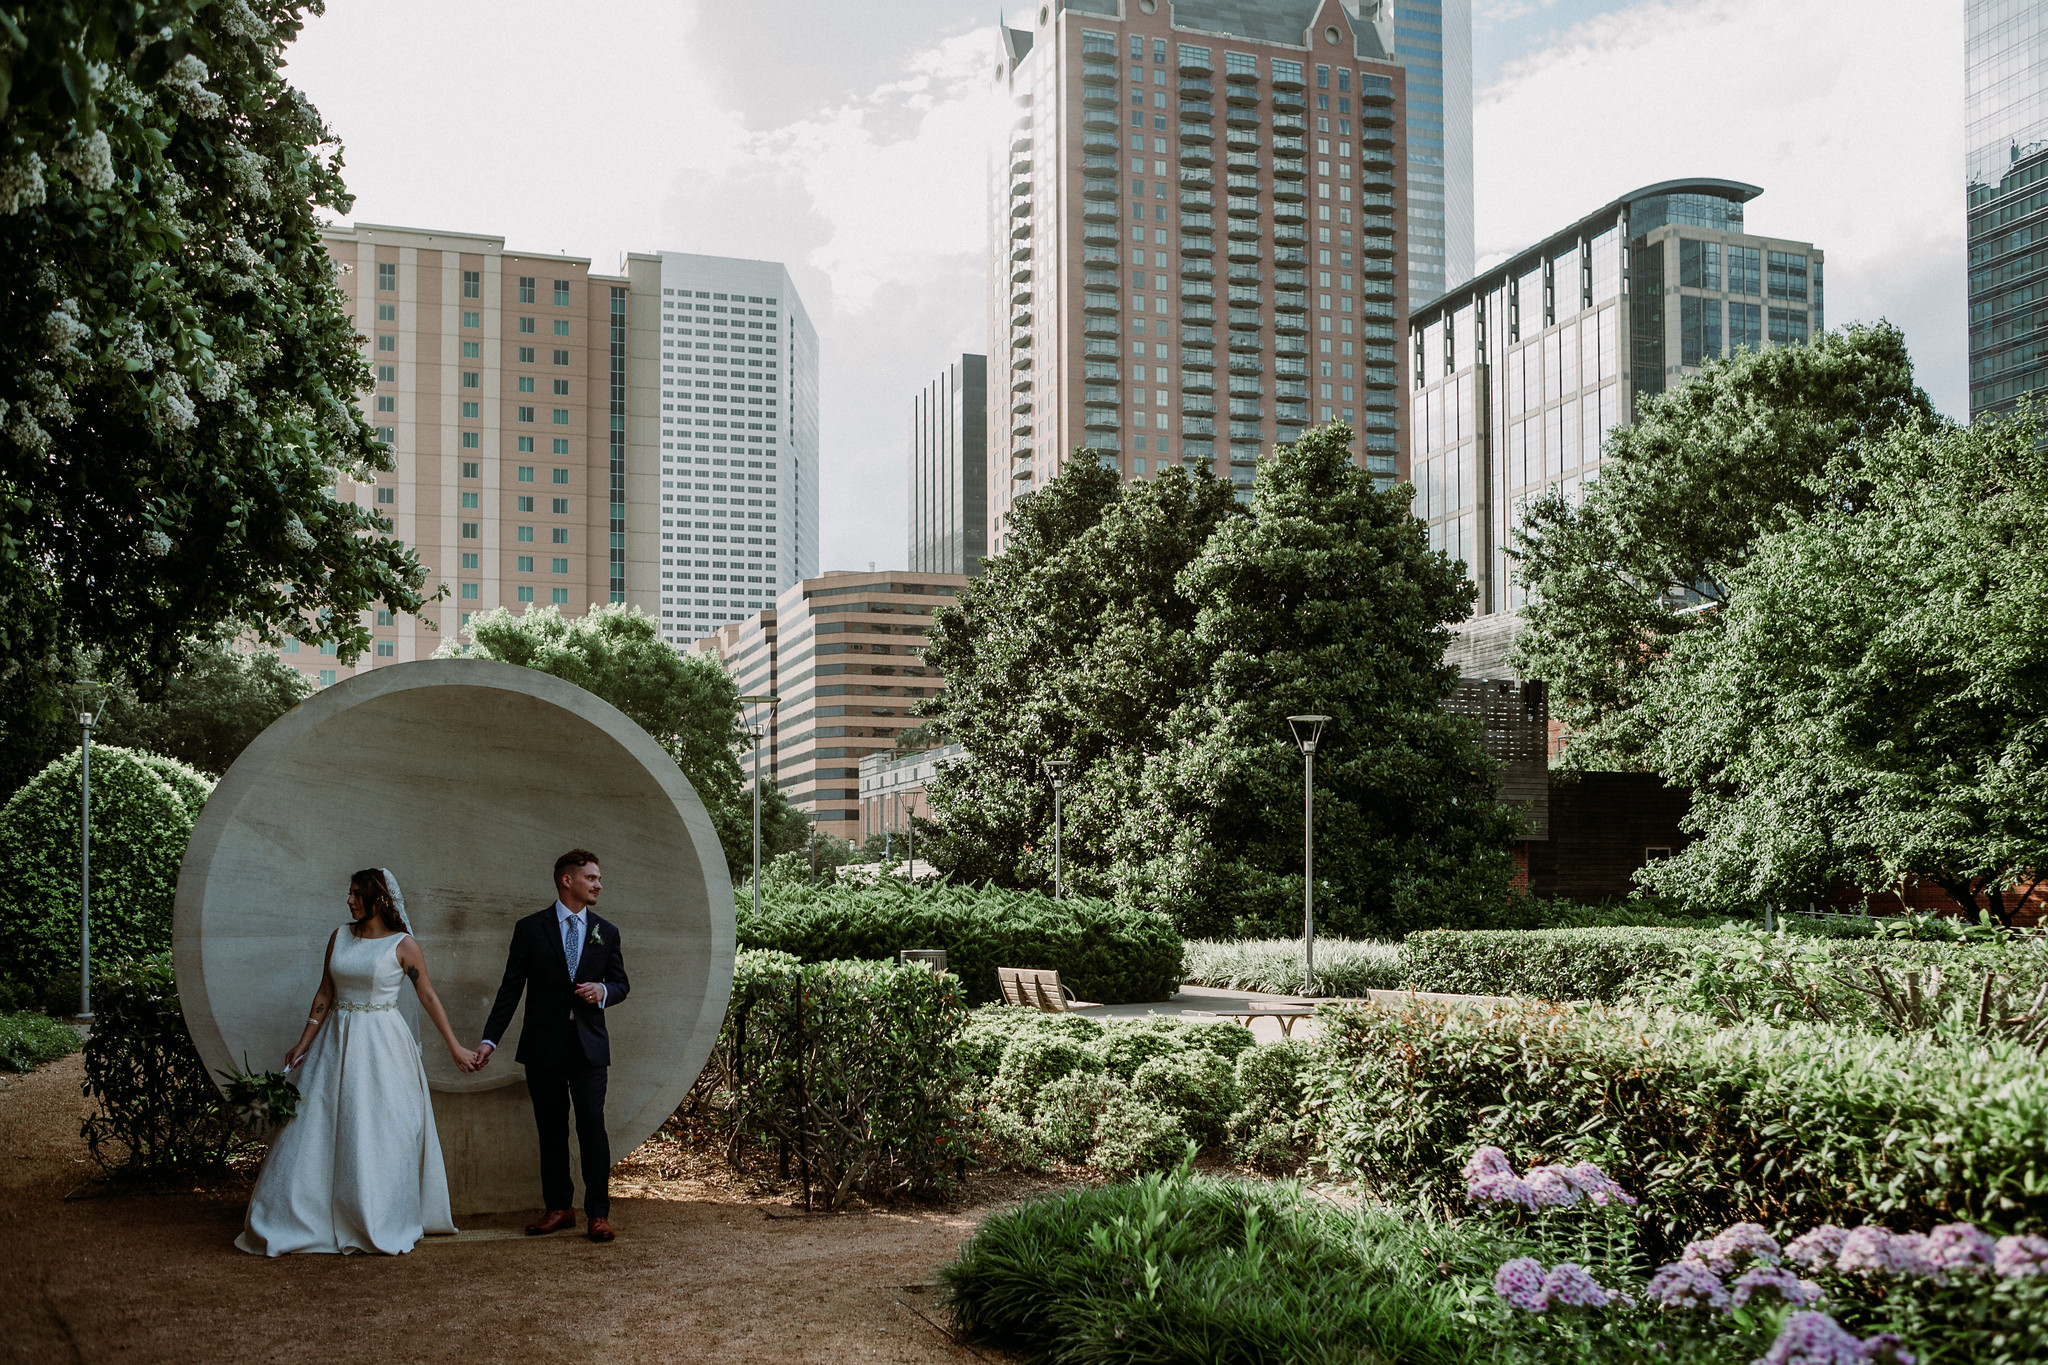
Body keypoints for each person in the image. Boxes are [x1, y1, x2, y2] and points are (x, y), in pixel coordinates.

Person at [237, 868, 475, 1256]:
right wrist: (304, 1040)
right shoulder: (339, 936)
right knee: (320, 1124)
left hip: (383, 1044)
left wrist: (455, 1047)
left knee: (380, 1125)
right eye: (348, 893)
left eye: (356, 894)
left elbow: (427, 995)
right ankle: (306, 1215)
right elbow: (326, 990)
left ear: (378, 899)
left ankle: (377, 1214)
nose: (348, 900)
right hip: (335, 1041)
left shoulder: (404, 945)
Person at [475, 849, 631, 1242]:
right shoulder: (530, 929)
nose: (598, 884)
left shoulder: (606, 932)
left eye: (598, 878)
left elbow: (622, 985)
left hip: (589, 1048)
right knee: (550, 1128)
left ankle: (598, 1213)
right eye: (591, 878)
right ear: (568, 880)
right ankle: (559, 1208)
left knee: (592, 1125)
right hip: (543, 1047)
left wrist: (604, 990)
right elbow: (510, 989)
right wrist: (489, 1040)